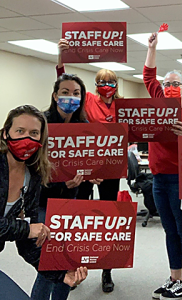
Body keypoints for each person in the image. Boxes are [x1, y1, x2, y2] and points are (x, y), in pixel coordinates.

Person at [0, 105, 87, 299]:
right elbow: (28, 230)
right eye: (20, 131)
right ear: (6, 133)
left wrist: (60, 274)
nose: (26, 139)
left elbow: (29, 244)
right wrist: (27, 228)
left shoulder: (33, 176)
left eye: (34, 133)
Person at [56, 39, 122, 292]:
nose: (106, 86)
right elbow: (66, 89)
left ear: (116, 86)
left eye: (111, 82)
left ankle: (107, 271)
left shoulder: (123, 105)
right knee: (80, 219)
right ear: (96, 86)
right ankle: (74, 268)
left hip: (110, 170)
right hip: (82, 169)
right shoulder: (88, 100)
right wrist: (61, 58)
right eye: (102, 82)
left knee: (107, 219)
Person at [31, 73, 101, 300]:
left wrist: (91, 175)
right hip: (43, 201)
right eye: (65, 92)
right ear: (55, 95)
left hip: (73, 201)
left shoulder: (84, 126)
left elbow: (90, 161)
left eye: (76, 93)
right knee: (47, 262)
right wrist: (58, 178)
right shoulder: (41, 124)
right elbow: (30, 164)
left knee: (67, 261)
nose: (71, 97)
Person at [143, 32, 182, 300]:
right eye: (167, 83)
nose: (171, 87)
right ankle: (174, 277)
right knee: (169, 229)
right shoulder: (158, 104)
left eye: (176, 83)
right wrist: (151, 48)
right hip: (158, 179)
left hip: (180, 178)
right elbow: (148, 77)